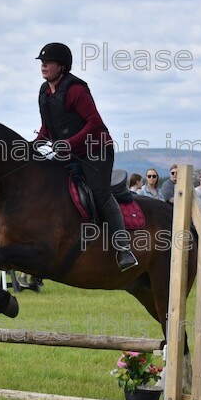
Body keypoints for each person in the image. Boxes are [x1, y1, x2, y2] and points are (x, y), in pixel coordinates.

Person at [34, 42, 137, 271]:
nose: (43, 66)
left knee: (100, 193)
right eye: (42, 62)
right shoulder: (44, 91)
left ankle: (123, 249)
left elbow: (95, 123)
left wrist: (69, 143)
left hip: (96, 150)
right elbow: (47, 128)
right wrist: (33, 146)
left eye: (48, 62)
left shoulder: (76, 90)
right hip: (68, 151)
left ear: (62, 67)